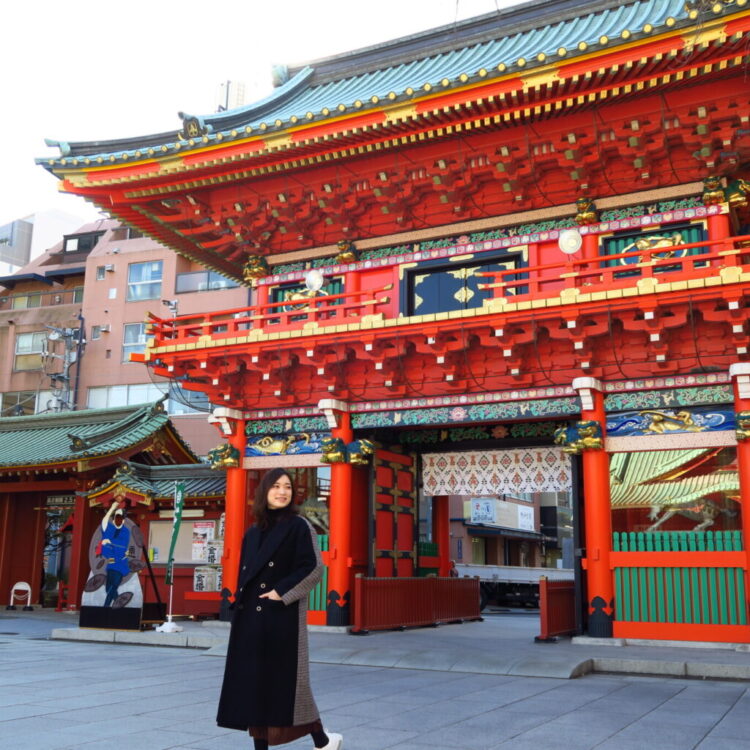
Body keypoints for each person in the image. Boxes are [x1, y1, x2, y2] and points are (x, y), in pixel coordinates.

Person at [217, 468, 343, 750]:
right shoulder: (253, 532)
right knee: (255, 684)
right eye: (276, 486)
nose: (282, 492)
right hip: (251, 617)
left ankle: (322, 739)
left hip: (281, 615)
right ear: (264, 491)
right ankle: (316, 742)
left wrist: (281, 592)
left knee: (289, 686)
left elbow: (313, 567)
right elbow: (244, 574)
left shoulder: (299, 525)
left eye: (287, 486)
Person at [98, 500, 131, 607]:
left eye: (120, 517)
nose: (118, 519)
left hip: (120, 564)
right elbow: (104, 522)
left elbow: (121, 546)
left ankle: (106, 608)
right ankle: (119, 606)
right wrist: (111, 509)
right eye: (116, 516)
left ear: (124, 520)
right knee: (109, 588)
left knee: (113, 587)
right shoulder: (111, 528)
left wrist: (108, 543)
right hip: (111, 564)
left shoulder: (125, 531)